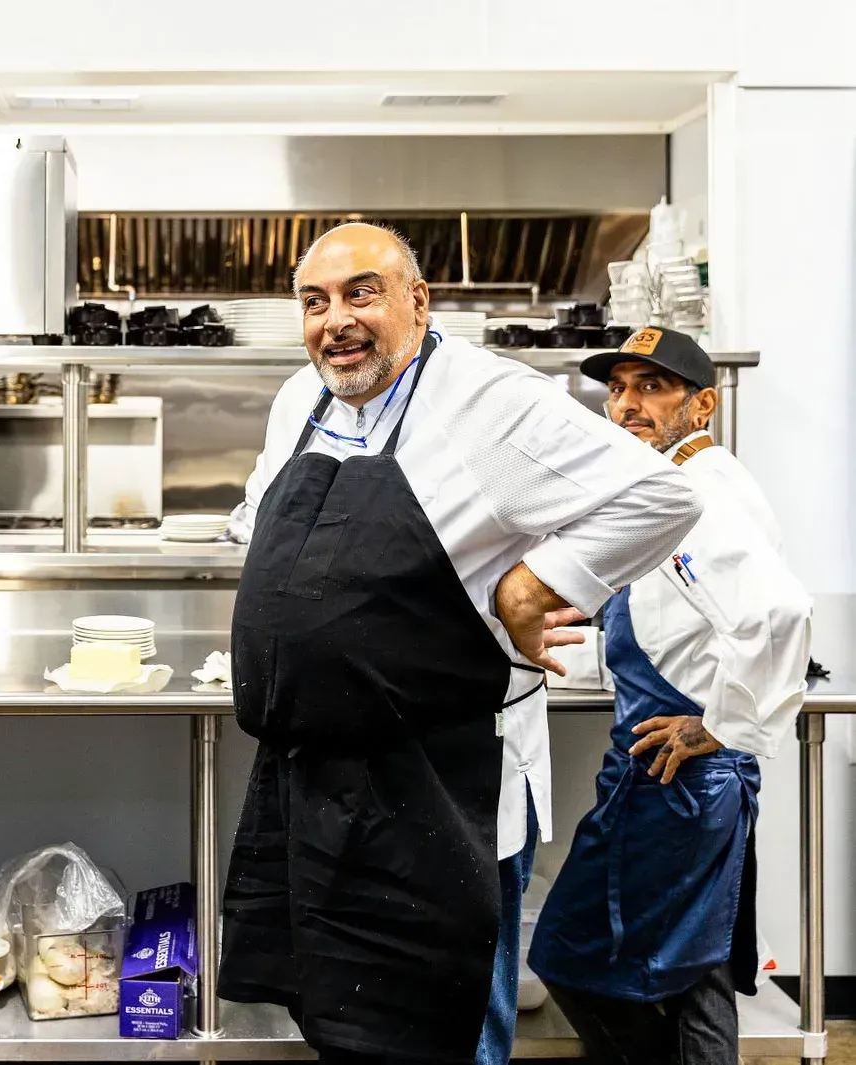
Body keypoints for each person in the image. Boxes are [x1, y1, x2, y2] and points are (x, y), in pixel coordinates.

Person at [218, 223, 703, 1064]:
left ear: (417, 299)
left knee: (445, 1024)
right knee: (345, 1017)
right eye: (315, 301)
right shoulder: (300, 396)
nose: (335, 319)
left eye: (361, 291)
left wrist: (537, 582)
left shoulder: (492, 400)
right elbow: (265, 516)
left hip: (444, 787)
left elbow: (658, 498)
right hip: (314, 780)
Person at [528, 329, 812, 1063]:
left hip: (675, 781)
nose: (626, 404)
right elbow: (680, 624)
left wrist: (716, 726)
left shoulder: (694, 494)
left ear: (703, 404)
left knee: (569, 955)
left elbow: (777, 615)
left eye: (651, 388)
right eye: (617, 387)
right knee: (697, 974)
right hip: (685, 780)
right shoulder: (677, 481)